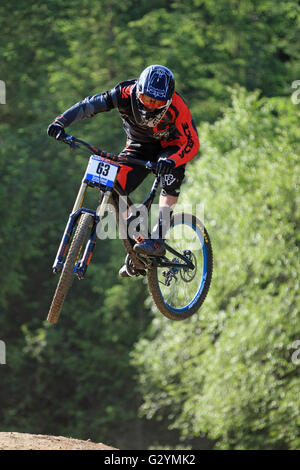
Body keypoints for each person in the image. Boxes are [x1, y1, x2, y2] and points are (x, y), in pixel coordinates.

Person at [47, 64, 200, 277]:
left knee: (169, 175)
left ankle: (159, 237)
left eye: (158, 102)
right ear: (138, 92)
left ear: (168, 100)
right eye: (147, 99)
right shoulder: (123, 93)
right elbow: (88, 106)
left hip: (172, 147)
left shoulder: (178, 107)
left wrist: (173, 161)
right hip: (139, 146)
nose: (152, 106)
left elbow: (192, 143)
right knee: (110, 189)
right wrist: (60, 123)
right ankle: (139, 245)